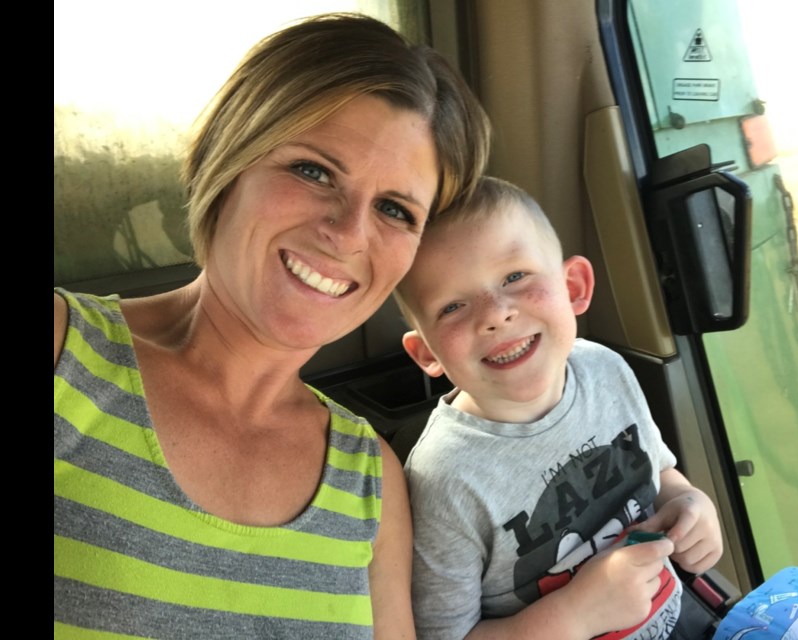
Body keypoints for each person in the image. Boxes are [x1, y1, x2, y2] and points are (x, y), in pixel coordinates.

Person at [53, 13, 490, 638]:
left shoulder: (371, 479)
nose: (347, 232)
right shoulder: (65, 354)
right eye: (313, 171)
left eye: (395, 209)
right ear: (226, 162)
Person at [393, 177, 723, 640]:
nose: (495, 314)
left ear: (573, 287)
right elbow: (447, 635)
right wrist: (574, 617)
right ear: (426, 353)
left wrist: (690, 504)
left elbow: (659, 474)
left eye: (514, 277)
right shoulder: (444, 478)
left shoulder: (605, 370)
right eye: (452, 306)